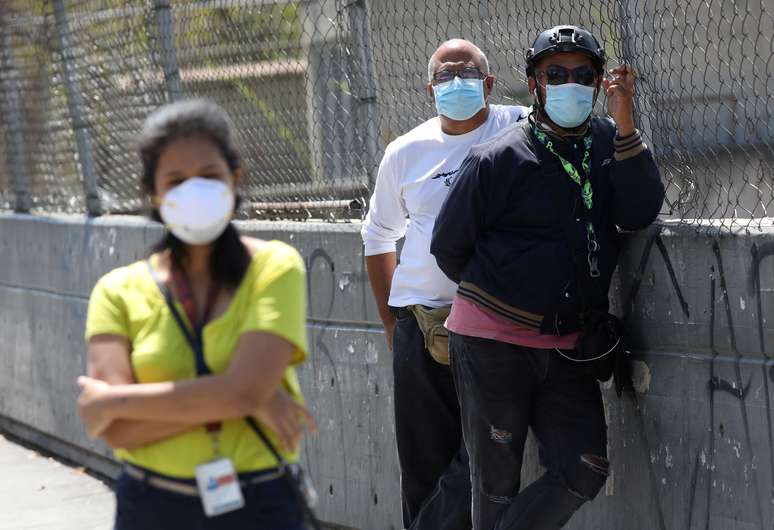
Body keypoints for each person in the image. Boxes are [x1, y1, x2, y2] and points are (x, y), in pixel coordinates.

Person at [431, 26, 665, 530]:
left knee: (584, 466)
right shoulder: (496, 158)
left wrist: (624, 122)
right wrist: (508, 298)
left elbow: (641, 209)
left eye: (584, 75)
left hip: (567, 345)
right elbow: (448, 247)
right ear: (534, 84)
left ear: (601, 82)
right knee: (494, 486)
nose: (570, 84)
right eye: (555, 74)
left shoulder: (607, 140)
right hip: (493, 344)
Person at [77, 99, 317, 530]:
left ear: (235, 179)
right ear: (153, 192)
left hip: (260, 503)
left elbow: (111, 412)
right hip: (152, 506)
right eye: (176, 180)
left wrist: (116, 400)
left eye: (209, 176)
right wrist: (241, 398)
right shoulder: (116, 291)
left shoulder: (275, 267)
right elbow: (117, 432)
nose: (194, 190)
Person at [362, 39, 527, 529]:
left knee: (483, 459)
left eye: (467, 73)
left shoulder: (522, 128)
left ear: (490, 84)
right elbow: (377, 237)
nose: (456, 84)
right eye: (445, 77)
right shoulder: (405, 152)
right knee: (422, 465)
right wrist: (394, 326)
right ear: (430, 89)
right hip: (423, 322)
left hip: (499, 328)